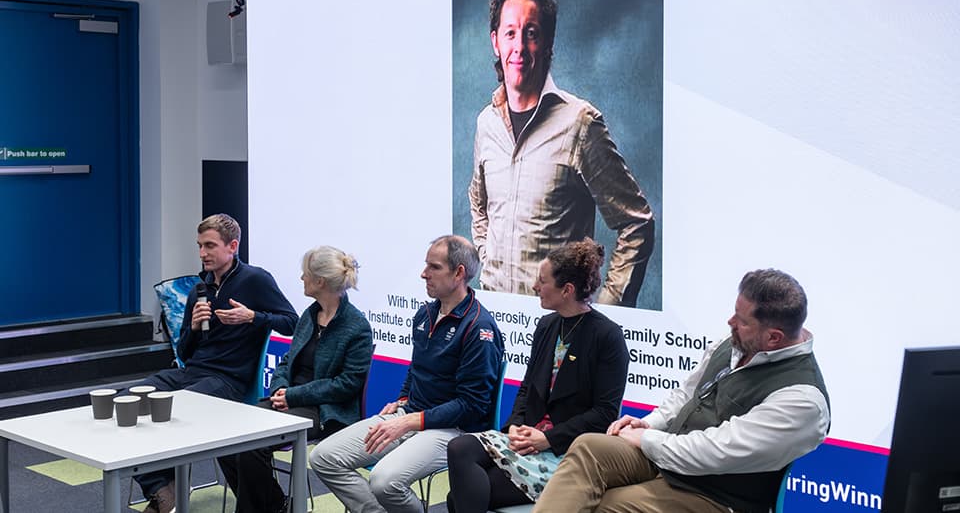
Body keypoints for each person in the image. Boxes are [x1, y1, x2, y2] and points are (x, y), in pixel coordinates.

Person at [532, 269, 831, 513]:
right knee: (588, 448)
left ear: (774, 337)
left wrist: (648, 439)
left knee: (608, 506)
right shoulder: (736, 344)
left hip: (716, 495)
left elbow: (715, 451)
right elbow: (686, 395)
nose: (730, 323)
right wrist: (649, 423)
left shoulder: (802, 401)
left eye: (741, 321)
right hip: (669, 457)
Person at [468, 0, 655, 307]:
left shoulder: (580, 124)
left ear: (548, 41)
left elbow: (636, 223)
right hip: (495, 318)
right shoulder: (486, 123)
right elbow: (479, 203)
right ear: (495, 41)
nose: (520, 47)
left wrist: (606, 312)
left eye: (532, 33)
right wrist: (489, 257)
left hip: (558, 324)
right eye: (510, 33)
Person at [309, 235, 505, 513]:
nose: (423, 273)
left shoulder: (479, 328)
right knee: (324, 457)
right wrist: (403, 399)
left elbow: (472, 405)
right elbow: (417, 368)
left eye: (433, 267)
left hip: (453, 430)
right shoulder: (425, 315)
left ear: (459, 273)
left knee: (383, 481)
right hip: (412, 416)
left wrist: (411, 421)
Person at [446, 238, 629, 513]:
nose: (534, 287)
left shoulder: (608, 337)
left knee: (456, 499)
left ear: (567, 290)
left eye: (542, 281)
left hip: (566, 452)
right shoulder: (547, 325)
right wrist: (515, 426)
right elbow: (527, 388)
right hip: (528, 439)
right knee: (459, 449)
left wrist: (548, 438)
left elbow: (604, 413)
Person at [134, 214, 298, 513]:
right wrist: (194, 327)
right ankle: (161, 489)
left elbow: (292, 323)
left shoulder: (255, 279)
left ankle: (169, 491)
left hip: (230, 380)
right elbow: (184, 350)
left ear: (232, 246)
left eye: (209, 246)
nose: (202, 253)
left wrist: (254, 317)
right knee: (129, 400)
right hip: (191, 372)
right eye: (199, 246)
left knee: (176, 409)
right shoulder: (201, 287)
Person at [218, 245, 373, 513]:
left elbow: (347, 385)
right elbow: (288, 361)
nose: (301, 278)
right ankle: (277, 505)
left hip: (326, 412)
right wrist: (280, 388)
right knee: (228, 437)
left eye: (305, 274)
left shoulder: (356, 326)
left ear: (320, 281)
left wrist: (293, 396)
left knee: (253, 444)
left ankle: (266, 508)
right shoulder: (310, 315)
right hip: (290, 400)